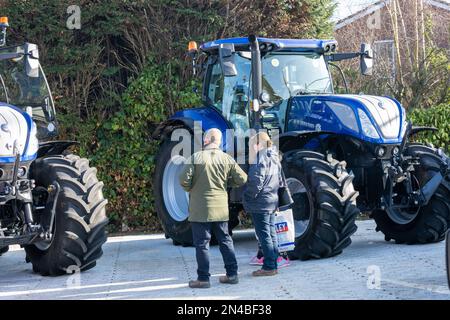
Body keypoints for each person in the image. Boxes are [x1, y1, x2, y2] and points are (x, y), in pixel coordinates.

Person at [179, 128, 247, 288]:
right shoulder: (226, 158)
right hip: (221, 209)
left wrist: (191, 188)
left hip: (200, 210)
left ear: (206, 140)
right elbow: (242, 178)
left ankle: (203, 279)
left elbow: (183, 180)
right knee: (225, 241)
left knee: (202, 244)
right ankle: (232, 275)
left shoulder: (196, 157)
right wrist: (227, 184)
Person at [243, 132, 286, 276]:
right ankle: (273, 264)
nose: (252, 148)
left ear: (258, 144)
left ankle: (268, 267)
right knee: (271, 234)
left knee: (264, 236)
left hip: (260, 202)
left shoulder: (260, 157)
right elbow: (280, 180)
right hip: (272, 199)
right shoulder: (274, 156)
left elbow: (256, 180)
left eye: (253, 145)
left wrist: (248, 196)